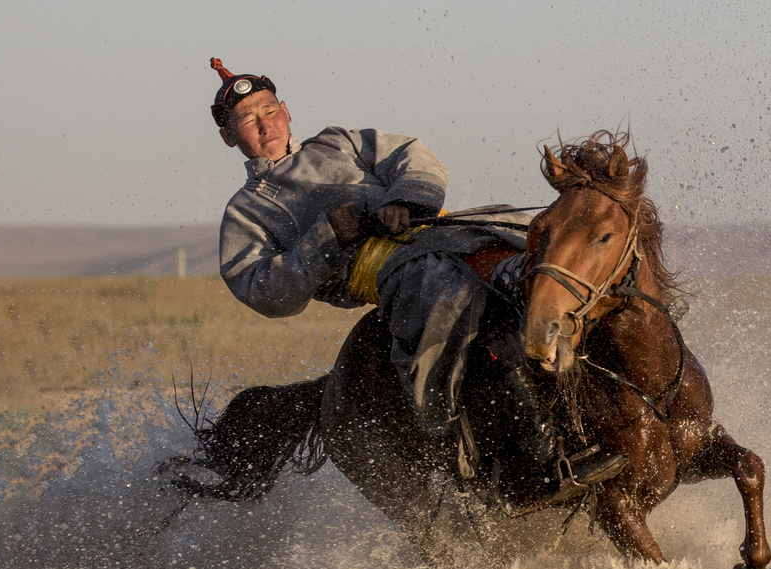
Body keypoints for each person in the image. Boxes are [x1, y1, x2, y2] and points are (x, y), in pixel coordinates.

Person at [208, 58, 624, 507]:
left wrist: (406, 199)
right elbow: (265, 291)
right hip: (388, 268)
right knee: (454, 293)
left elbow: (411, 154)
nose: (264, 125)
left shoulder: (338, 141)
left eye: (269, 110)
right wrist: (327, 236)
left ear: (286, 110)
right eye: (247, 120)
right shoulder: (246, 211)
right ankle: (533, 466)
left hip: (445, 231)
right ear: (229, 136)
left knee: (551, 255)